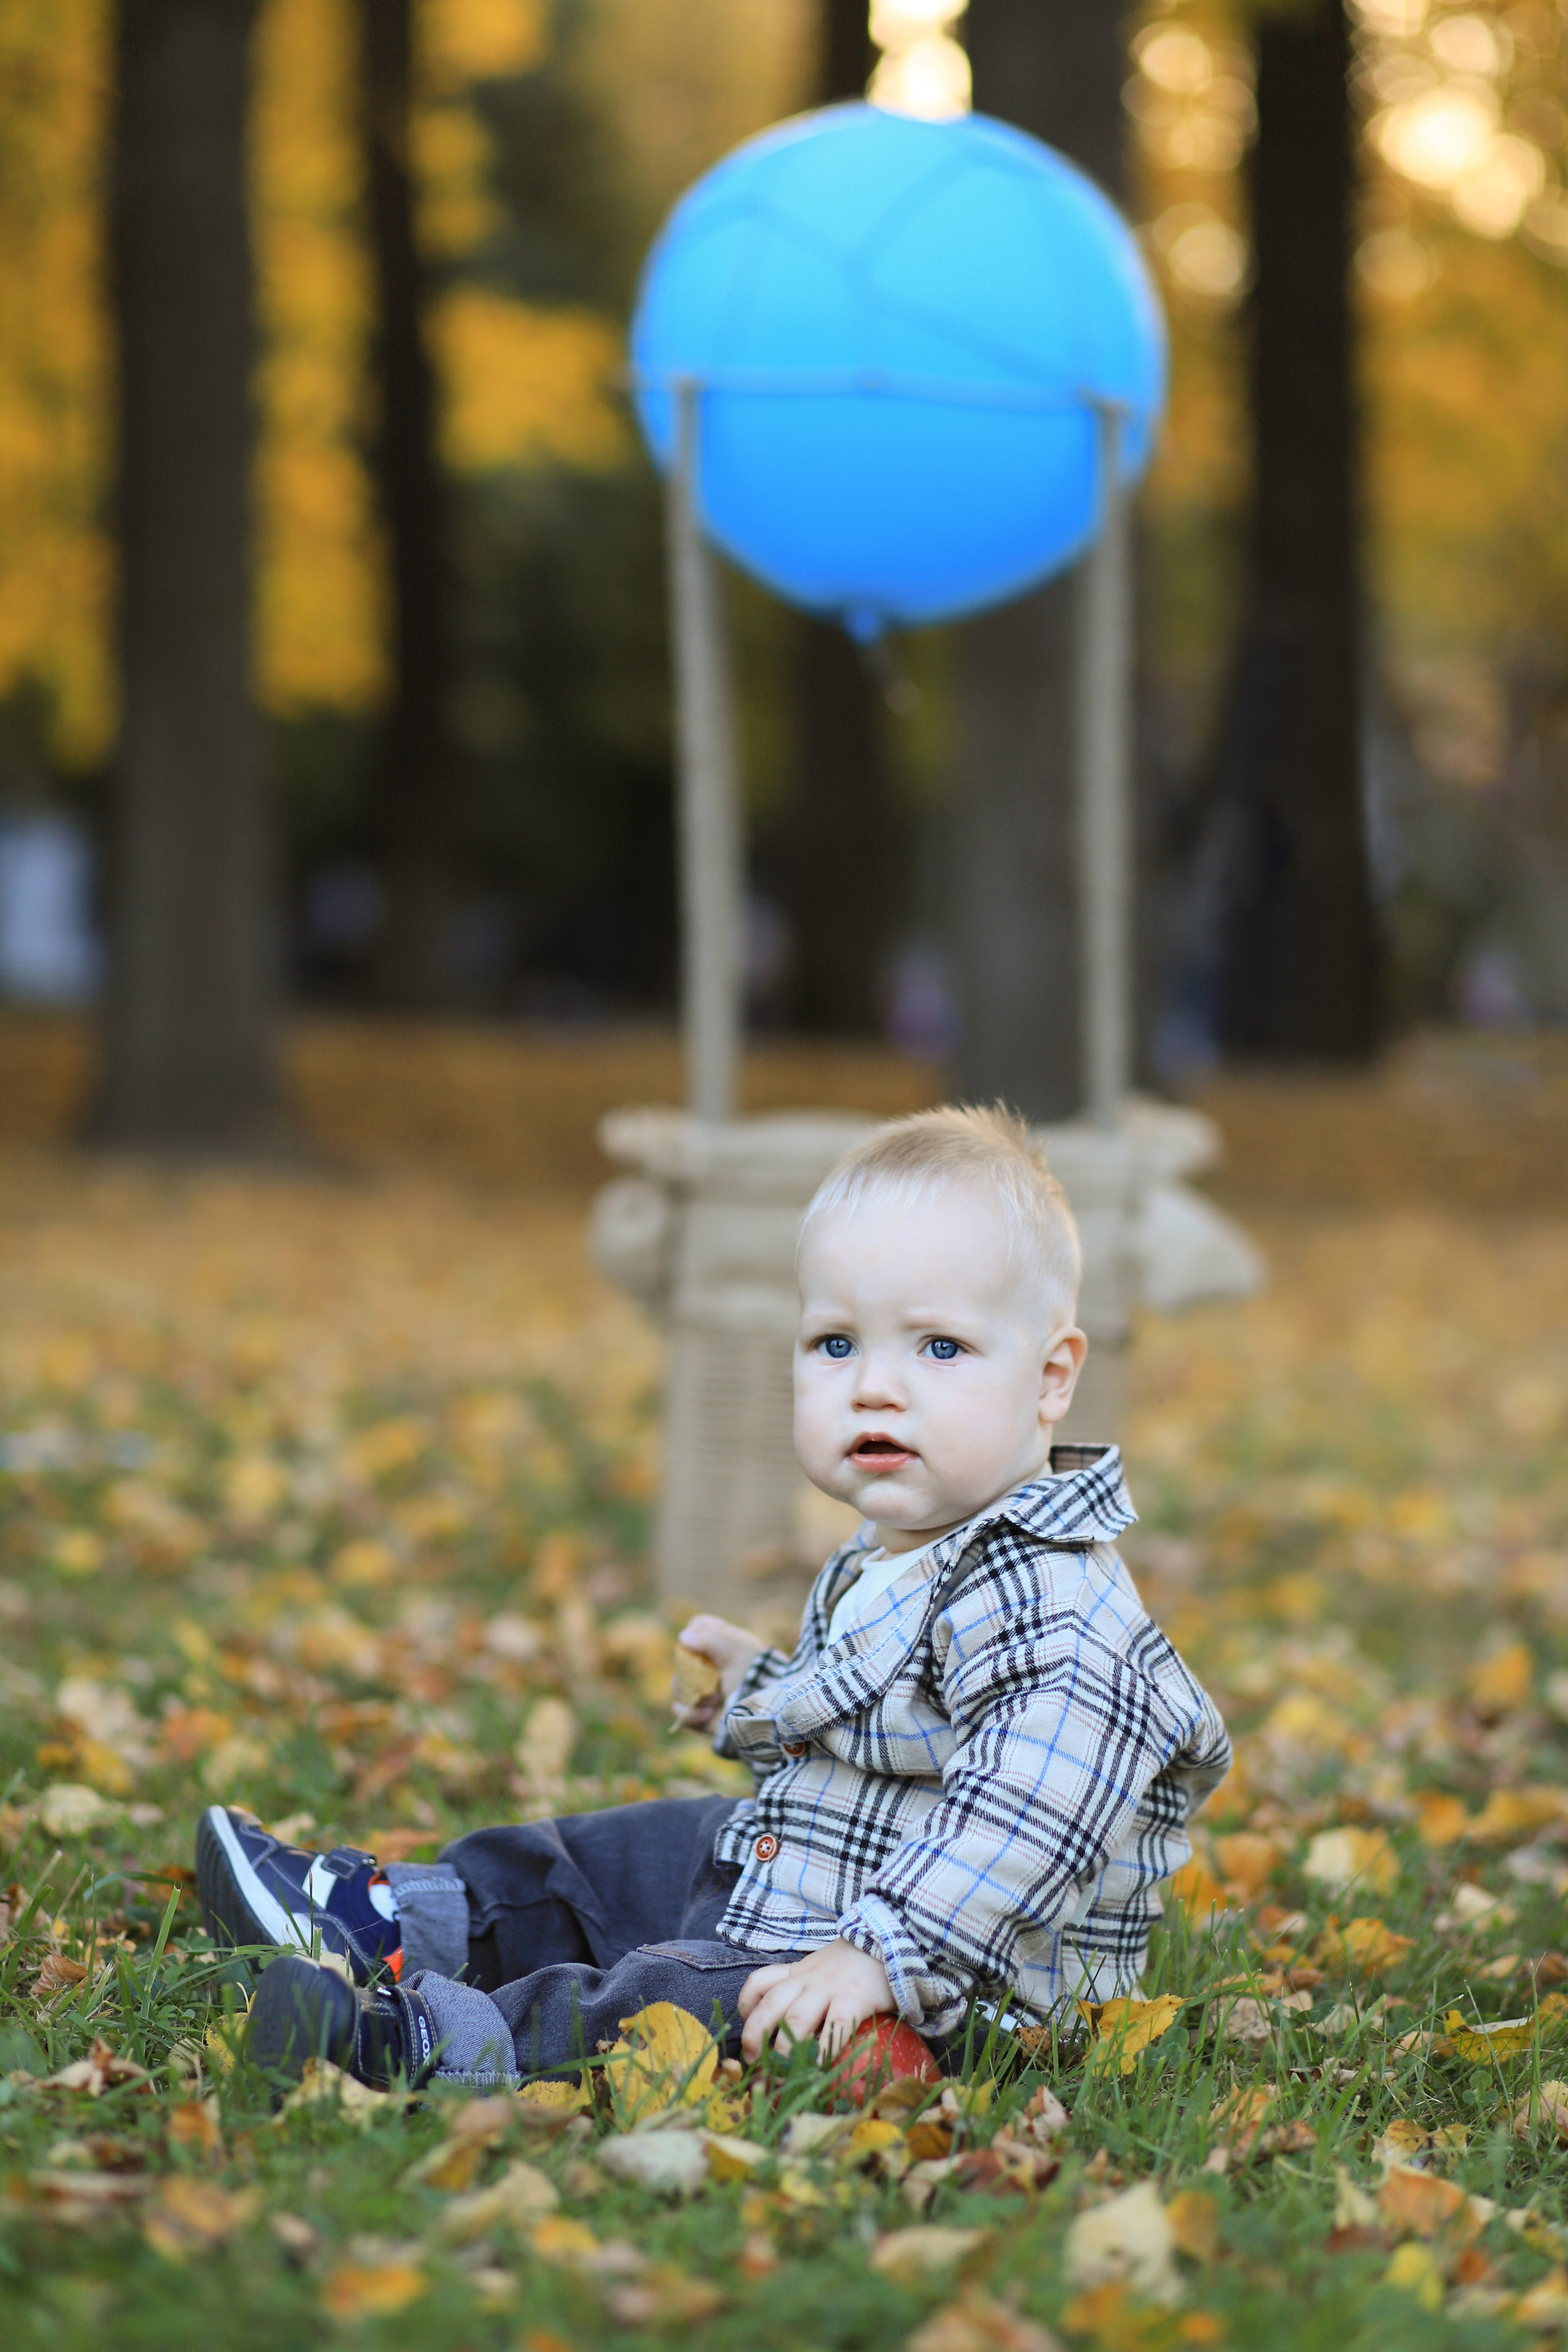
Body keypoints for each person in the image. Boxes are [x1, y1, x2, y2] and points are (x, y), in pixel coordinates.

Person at [199, 1105, 1230, 2090]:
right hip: (815, 1893)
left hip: (941, 1998)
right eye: (836, 1343)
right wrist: (762, 1696)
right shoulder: (911, 1548)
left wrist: (880, 1957)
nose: (874, 1386)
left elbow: (1028, 1821)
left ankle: (423, 2043)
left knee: (666, 2002)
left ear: (1052, 1380)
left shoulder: (1056, 1604)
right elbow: (888, 1744)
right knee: (620, 1853)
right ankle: (383, 1921)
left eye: (939, 1347)